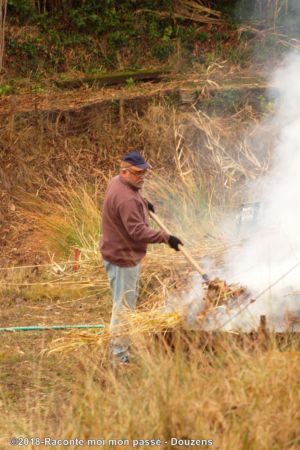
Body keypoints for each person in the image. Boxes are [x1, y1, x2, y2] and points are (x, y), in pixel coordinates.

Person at [100, 150, 183, 364]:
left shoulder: (118, 182)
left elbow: (132, 199)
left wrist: (144, 203)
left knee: (124, 304)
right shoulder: (127, 198)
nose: (142, 177)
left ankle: (119, 350)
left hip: (116, 253)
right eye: (138, 173)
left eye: (145, 172)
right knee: (124, 309)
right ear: (125, 171)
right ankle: (119, 358)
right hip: (122, 259)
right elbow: (137, 231)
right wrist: (166, 237)